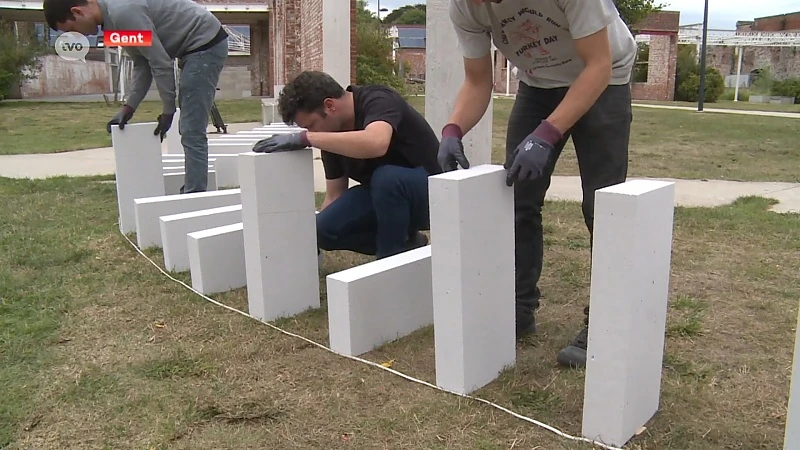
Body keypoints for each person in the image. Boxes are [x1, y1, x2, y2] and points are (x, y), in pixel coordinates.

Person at [438, 0, 637, 368]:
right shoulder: (465, 7)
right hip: (538, 85)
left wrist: (548, 132)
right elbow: (479, 80)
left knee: (604, 207)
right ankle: (518, 307)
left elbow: (598, 64)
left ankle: (605, 324)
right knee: (517, 198)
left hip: (605, 77)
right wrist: (453, 129)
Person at [44, 0, 229, 194]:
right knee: (190, 127)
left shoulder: (123, 12)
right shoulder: (111, 22)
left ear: (77, 12)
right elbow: (142, 62)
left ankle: (194, 195)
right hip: (191, 48)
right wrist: (128, 107)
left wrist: (168, 111)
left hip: (205, 43)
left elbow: (161, 63)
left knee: (191, 128)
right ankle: (194, 190)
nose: (78, 35)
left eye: (72, 28)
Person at [252, 71, 441, 259]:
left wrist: (307, 138)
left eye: (311, 125)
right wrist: (309, 239)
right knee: (322, 229)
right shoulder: (331, 134)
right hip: (384, 197)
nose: (310, 132)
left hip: (431, 192)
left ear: (329, 105)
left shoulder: (378, 100)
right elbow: (335, 195)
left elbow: (377, 143)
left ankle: (390, 260)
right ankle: (409, 244)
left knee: (386, 179)